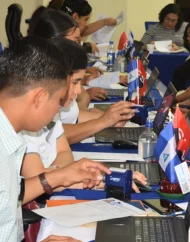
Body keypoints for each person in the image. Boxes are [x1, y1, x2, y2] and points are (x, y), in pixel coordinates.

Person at [0, 36, 112, 242]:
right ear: (39, 97)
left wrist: (60, 176)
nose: (61, 108)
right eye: (59, 100)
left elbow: (8, 195)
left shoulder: (10, 133)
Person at [21, 38, 147, 192]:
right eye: (75, 82)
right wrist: (65, 175)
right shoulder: (27, 120)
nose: (79, 90)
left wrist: (64, 175)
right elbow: (36, 178)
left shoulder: (48, 110)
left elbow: (65, 153)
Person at [28, 9, 136, 144]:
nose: (79, 45)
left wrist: (106, 118)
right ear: (54, 42)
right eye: (75, 40)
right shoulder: (42, 80)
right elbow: (52, 134)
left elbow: (71, 117)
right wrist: (101, 121)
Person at [48, 0, 117, 53]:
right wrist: (86, 47)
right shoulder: (56, 35)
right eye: (85, 19)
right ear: (75, 16)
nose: (86, 24)